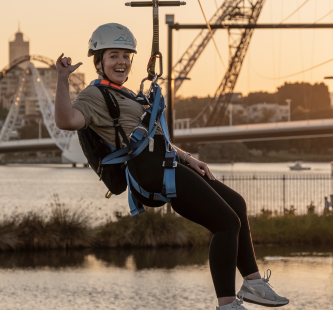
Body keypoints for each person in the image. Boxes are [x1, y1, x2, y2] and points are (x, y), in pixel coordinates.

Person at [54, 23, 289, 310]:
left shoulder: (127, 94)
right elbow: (66, 121)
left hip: (165, 160)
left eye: (126, 56)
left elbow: (153, 134)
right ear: (99, 61)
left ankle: (252, 283)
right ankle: (227, 304)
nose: (121, 61)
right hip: (149, 169)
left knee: (236, 205)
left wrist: (188, 157)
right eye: (113, 55)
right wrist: (63, 79)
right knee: (226, 224)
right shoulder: (94, 96)